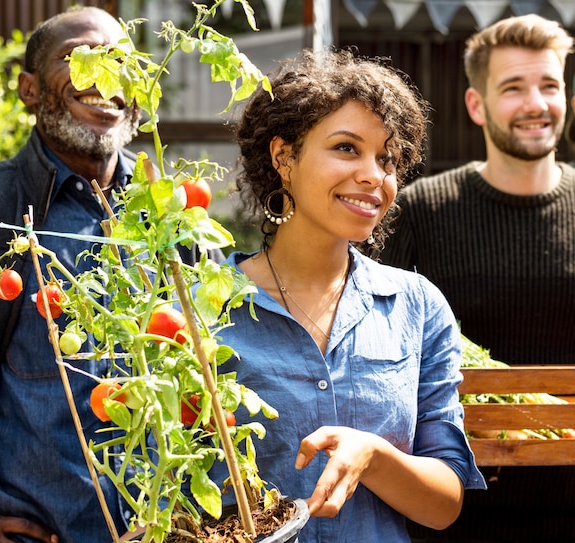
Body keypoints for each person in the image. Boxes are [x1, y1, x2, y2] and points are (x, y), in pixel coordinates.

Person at [0, 6, 220, 543]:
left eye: (122, 61)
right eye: (77, 58)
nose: (105, 77)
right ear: (28, 89)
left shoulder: (173, 219)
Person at [206, 49, 485, 543]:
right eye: (346, 148)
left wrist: (375, 456)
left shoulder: (416, 305)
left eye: (388, 158)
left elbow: (445, 504)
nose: (374, 175)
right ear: (283, 158)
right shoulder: (204, 307)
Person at [379, 14, 575, 543]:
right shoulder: (421, 210)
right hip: (454, 511)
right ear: (476, 104)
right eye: (513, 87)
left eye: (550, 85)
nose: (536, 103)